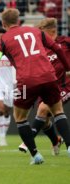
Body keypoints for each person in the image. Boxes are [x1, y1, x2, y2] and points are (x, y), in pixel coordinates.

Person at [0, 8, 70, 165]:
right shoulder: (36, 32)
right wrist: (67, 68)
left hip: (27, 80)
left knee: (20, 118)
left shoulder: (3, 40)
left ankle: (35, 155)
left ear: (3, 23)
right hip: (49, 76)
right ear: (18, 20)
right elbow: (56, 48)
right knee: (58, 112)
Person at [18, 18, 70, 155]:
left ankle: (28, 141)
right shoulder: (40, 48)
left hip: (66, 86)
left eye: (41, 32)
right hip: (47, 86)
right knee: (45, 119)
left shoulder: (65, 42)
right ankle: (56, 141)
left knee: (43, 109)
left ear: (51, 31)